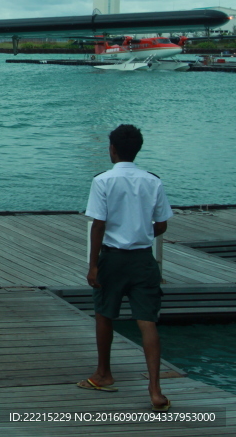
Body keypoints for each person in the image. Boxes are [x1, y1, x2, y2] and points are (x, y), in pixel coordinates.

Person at [79, 124, 173, 412]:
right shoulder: (152, 181)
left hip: (113, 257)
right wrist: (140, 233)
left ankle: (104, 373)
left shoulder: (103, 181)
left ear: (113, 150)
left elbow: (98, 225)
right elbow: (162, 224)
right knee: (147, 320)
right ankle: (155, 389)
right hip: (143, 258)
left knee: (104, 313)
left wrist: (93, 265)